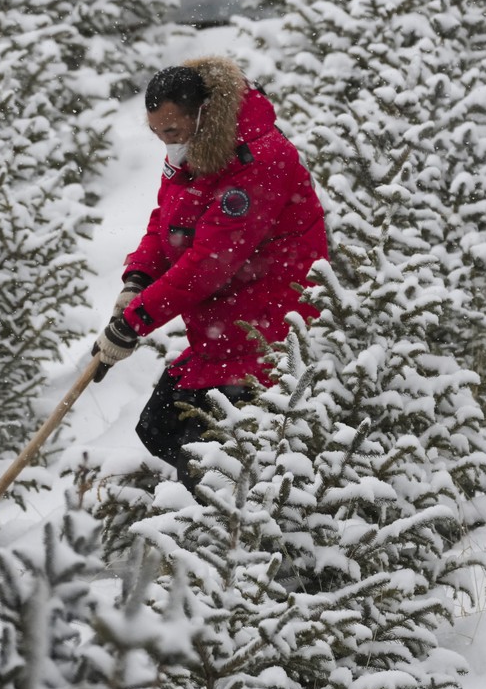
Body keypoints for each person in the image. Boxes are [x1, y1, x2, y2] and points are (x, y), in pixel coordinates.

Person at [92, 56, 329, 487]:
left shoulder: (259, 160)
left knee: (206, 468)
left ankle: (233, 535)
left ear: (203, 114)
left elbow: (208, 265)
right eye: (157, 133)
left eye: (172, 131)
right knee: (158, 427)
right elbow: (167, 219)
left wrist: (134, 322)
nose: (166, 142)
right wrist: (138, 280)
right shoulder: (194, 150)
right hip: (222, 332)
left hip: (270, 338)